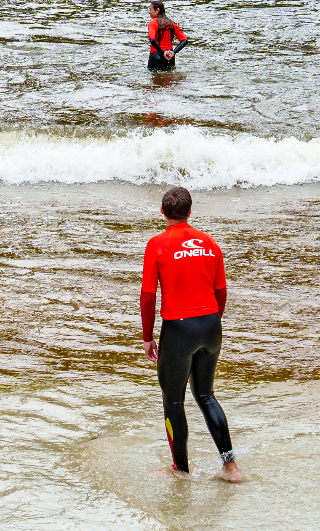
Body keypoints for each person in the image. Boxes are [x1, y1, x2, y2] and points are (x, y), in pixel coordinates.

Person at [140, 186, 242, 482]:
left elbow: (148, 296)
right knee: (206, 395)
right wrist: (211, 323)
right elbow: (221, 291)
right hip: (210, 326)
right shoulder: (210, 243)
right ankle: (230, 467)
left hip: (179, 328)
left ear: (162, 212)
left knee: (173, 401)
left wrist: (148, 337)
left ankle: (180, 470)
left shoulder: (157, 244)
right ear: (189, 212)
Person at [147, 1, 188, 71]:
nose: (149, 12)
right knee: (169, 78)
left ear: (157, 10)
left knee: (154, 78)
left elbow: (152, 40)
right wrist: (173, 52)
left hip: (156, 55)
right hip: (170, 56)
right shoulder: (172, 23)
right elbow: (184, 40)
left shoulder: (153, 23)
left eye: (150, 9)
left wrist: (162, 53)